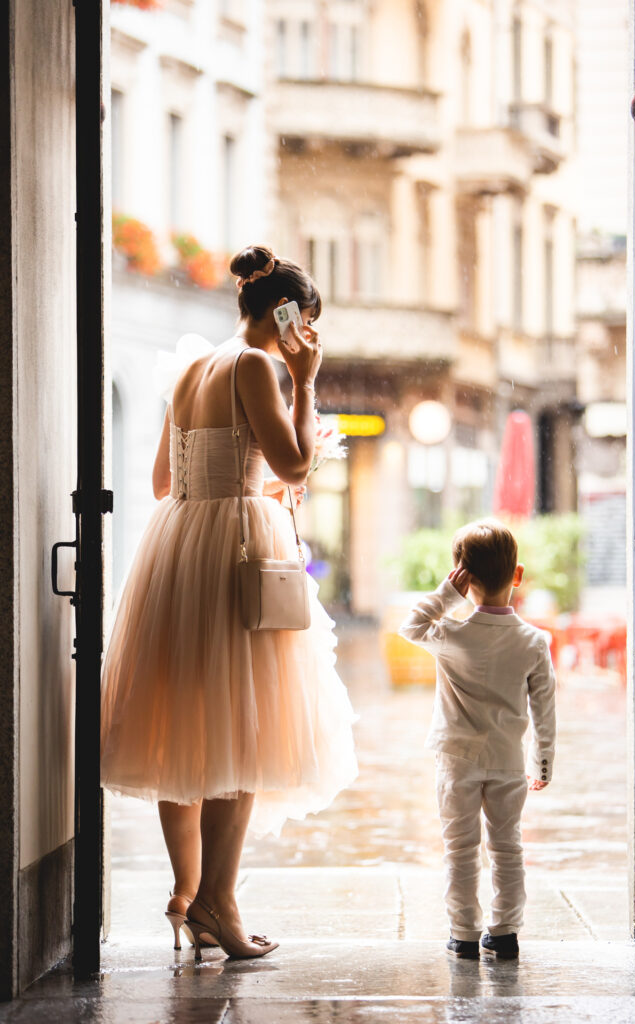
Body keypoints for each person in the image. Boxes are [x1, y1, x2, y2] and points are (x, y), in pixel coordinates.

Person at [100, 244, 358, 960]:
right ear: (286, 315)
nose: (305, 338)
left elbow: (161, 481)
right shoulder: (255, 365)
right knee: (242, 729)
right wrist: (304, 384)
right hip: (236, 548)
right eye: (305, 324)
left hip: (179, 542)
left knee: (182, 722)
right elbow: (295, 463)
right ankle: (219, 900)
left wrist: (243, 479)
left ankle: (188, 894)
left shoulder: (190, 366)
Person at [398, 518, 555, 960]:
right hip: (508, 760)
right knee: (508, 846)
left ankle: (463, 933)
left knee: (460, 847)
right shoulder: (534, 641)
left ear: (462, 578)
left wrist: (446, 596)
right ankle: (505, 931)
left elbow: (409, 626)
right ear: (517, 575)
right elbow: (545, 709)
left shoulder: (449, 635)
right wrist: (540, 763)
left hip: (456, 759)